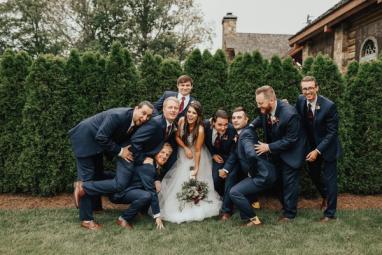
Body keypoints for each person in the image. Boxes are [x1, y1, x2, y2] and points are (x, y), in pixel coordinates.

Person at [69, 102, 153, 230]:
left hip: (96, 146)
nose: (145, 118)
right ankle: (86, 219)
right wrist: (120, 151)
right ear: (136, 108)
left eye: (148, 116)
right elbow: (101, 136)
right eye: (143, 113)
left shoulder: (133, 121)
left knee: (97, 175)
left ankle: (96, 208)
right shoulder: (118, 116)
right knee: (86, 180)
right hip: (84, 141)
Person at [159, 101, 222, 223]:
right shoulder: (182, 120)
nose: (190, 115)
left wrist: (197, 168)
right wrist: (185, 147)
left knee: (193, 178)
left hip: (195, 155)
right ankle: (179, 205)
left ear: (198, 115)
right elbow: (177, 137)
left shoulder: (200, 130)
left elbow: (198, 150)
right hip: (184, 152)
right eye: (189, 112)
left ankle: (195, 205)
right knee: (178, 178)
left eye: (194, 113)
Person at [250, 86, 306, 221]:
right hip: (277, 152)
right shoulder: (266, 109)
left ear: (272, 100)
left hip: (292, 153)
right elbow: (260, 119)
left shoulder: (289, 114)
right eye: (257, 103)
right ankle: (286, 207)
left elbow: (291, 140)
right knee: (278, 181)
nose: (259, 106)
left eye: (261, 103)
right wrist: (250, 127)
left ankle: (289, 214)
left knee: (289, 183)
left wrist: (268, 147)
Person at [296, 76, 341, 222]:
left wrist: (318, 151)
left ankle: (330, 214)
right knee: (314, 175)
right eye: (304, 88)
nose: (307, 91)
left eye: (310, 88)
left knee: (330, 180)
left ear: (317, 88)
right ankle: (326, 197)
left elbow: (332, 133)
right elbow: (297, 118)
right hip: (311, 148)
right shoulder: (300, 101)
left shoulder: (329, 106)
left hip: (328, 148)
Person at [110, 143, 173, 230]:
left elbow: (153, 175)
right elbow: (151, 191)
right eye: (162, 152)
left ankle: (140, 212)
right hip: (119, 194)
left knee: (149, 192)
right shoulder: (148, 166)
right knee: (147, 195)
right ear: (156, 152)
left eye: (167, 155)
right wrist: (158, 217)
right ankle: (123, 219)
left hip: (129, 190)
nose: (164, 156)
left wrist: (156, 179)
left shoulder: (153, 164)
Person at [228, 127, 277, 227]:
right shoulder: (241, 134)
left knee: (235, 192)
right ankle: (247, 219)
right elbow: (235, 155)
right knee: (240, 190)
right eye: (234, 118)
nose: (236, 120)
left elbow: (251, 154)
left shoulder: (245, 134)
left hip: (263, 175)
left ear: (246, 120)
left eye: (239, 117)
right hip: (265, 172)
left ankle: (255, 221)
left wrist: (252, 171)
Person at [153, 75, 195, 173]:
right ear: (177, 86)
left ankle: (165, 181)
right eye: (182, 85)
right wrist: (161, 120)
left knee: (172, 160)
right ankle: (153, 178)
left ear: (191, 86)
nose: (185, 87)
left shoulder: (194, 102)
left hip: (177, 136)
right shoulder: (168, 94)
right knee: (156, 155)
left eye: (187, 85)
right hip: (162, 131)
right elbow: (155, 108)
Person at [203, 110, 237, 220]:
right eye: (220, 124)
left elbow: (234, 152)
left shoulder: (232, 130)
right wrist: (213, 154)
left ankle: (226, 211)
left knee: (229, 179)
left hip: (231, 159)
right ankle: (223, 199)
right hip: (217, 157)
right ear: (213, 122)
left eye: (226, 124)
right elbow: (204, 142)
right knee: (215, 179)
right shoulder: (205, 126)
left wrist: (226, 169)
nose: (223, 128)